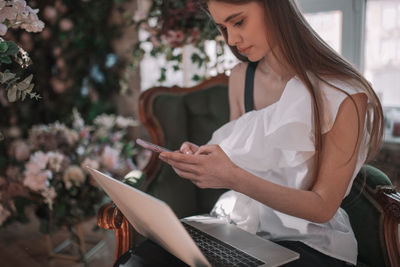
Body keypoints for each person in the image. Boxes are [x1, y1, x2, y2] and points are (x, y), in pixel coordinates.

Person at [118, 0, 384, 266]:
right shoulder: (241, 77)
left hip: (310, 243)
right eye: (223, 28)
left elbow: (323, 206)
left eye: (239, 21)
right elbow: (240, 157)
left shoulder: (342, 93)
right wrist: (202, 163)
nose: (232, 39)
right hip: (236, 228)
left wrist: (231, 176)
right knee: (139, 260)